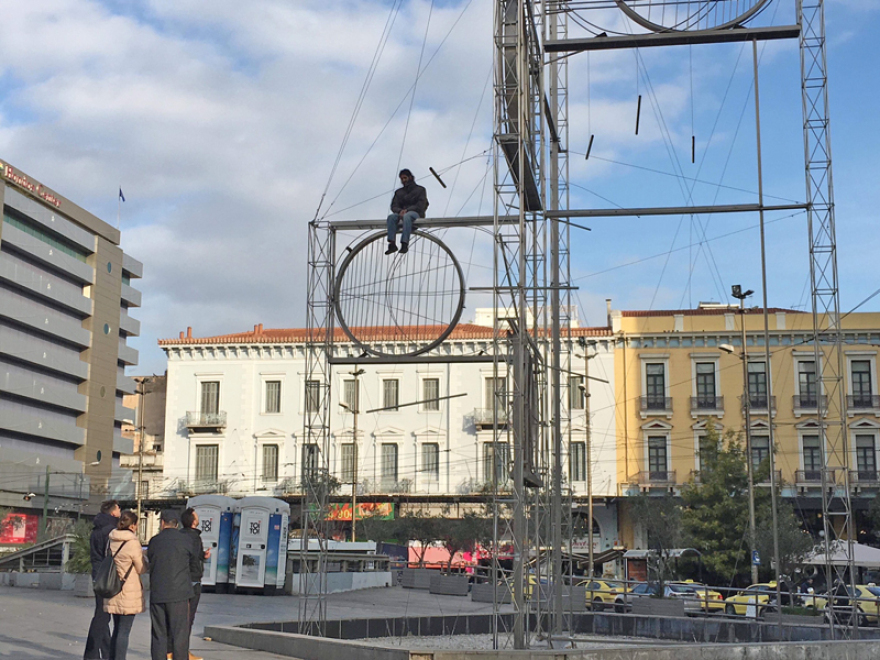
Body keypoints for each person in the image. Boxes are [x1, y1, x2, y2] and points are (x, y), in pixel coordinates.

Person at [147, 510, 199, 660]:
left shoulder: (154, 541)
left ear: (162, 523)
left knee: (158, 634)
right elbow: (194, 564)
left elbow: (151, 561)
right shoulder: (186, 540)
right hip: (180, 594)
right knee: (179, 635)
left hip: (158, 594)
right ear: (177, 524)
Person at [104, 510, 148, 660]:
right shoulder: (132, 542)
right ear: (133, 525)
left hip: (113, 587)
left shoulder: (112, 538)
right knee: (124, 630)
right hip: (128, 590)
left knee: (116, 629)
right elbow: (141, 568)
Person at [170, 508, 209, 660]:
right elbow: (193, 558)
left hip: (178, 580)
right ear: (193, 522)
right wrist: (203, 558)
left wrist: (203, 555)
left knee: (176, 617)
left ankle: (171, 651)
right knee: (188, 619)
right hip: (192, 580)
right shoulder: (194, 537)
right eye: (197, 516)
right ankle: (182, 652)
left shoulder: (179, 536)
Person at [84, 499, 121, 660]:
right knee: (102, 616)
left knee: (102, 613)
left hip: (97, 574)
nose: (120, 511)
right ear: (113, 512)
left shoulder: (96, 529)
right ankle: (91, 653)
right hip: (109, 577)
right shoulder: (112, 531)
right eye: (119, 508)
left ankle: (105, 654)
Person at [385, 168, 428, 255]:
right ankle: (392, 244)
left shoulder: (420, 190)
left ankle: (404, 243)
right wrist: (400, 210)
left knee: (407, 216)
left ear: (410, 177)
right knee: (391, 217)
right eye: (402, 179)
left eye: (405, 178)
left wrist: (408, 210)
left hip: (416, 213)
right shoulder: (399, 192)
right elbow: (393, 205)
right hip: (401, 213)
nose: (403, 180)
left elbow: (421, 204)